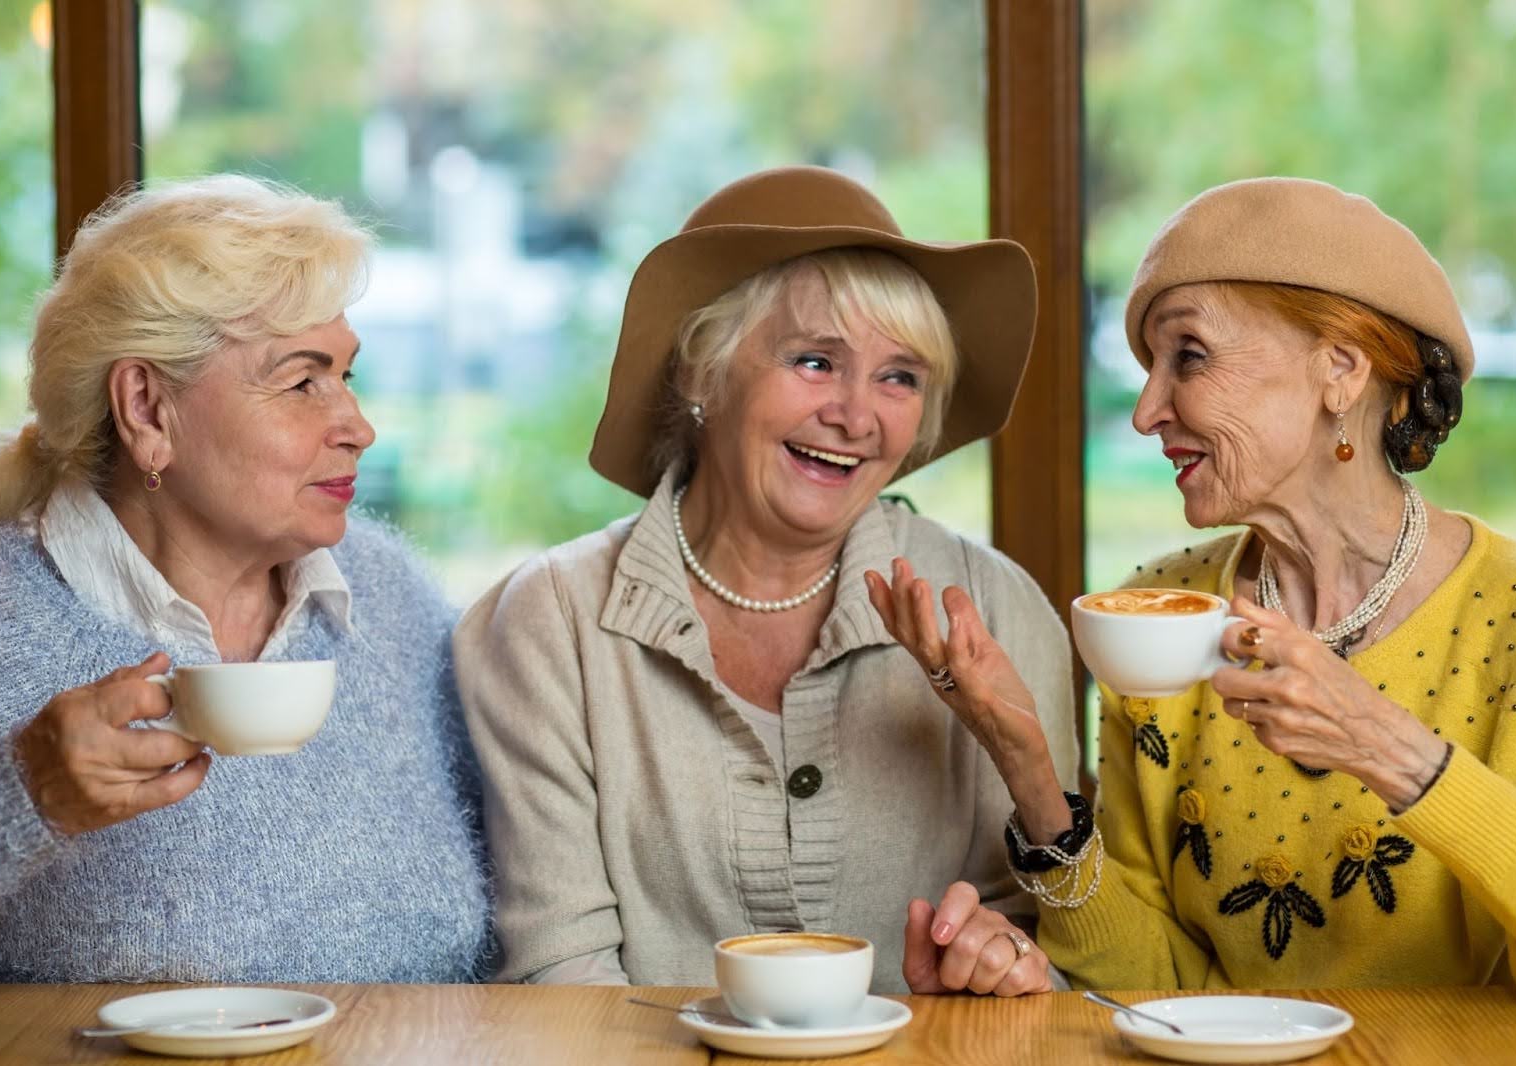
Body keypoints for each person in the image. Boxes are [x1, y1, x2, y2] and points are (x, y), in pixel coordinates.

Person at [874, 177, 1516, 1001]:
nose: (1144, 411)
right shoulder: (1158, 611)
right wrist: (1026, 767)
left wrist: (1387, 747)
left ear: (1339, 371)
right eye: (1148, 366)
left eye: (1188, 357)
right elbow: (1153, 984)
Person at [456, 166, 1080, 996]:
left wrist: (993, 977)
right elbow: (558, 974)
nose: (857, 417)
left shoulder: (995, 605)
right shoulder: (554, 621)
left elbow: (1067, 960)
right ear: (702, 371)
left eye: (899, 376)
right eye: (816, 361)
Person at [0, 176, 492, 983]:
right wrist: (19, 795)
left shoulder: (393, 602)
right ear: (147, 408)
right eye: (301, 382)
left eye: (347, 377)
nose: (358, 426)